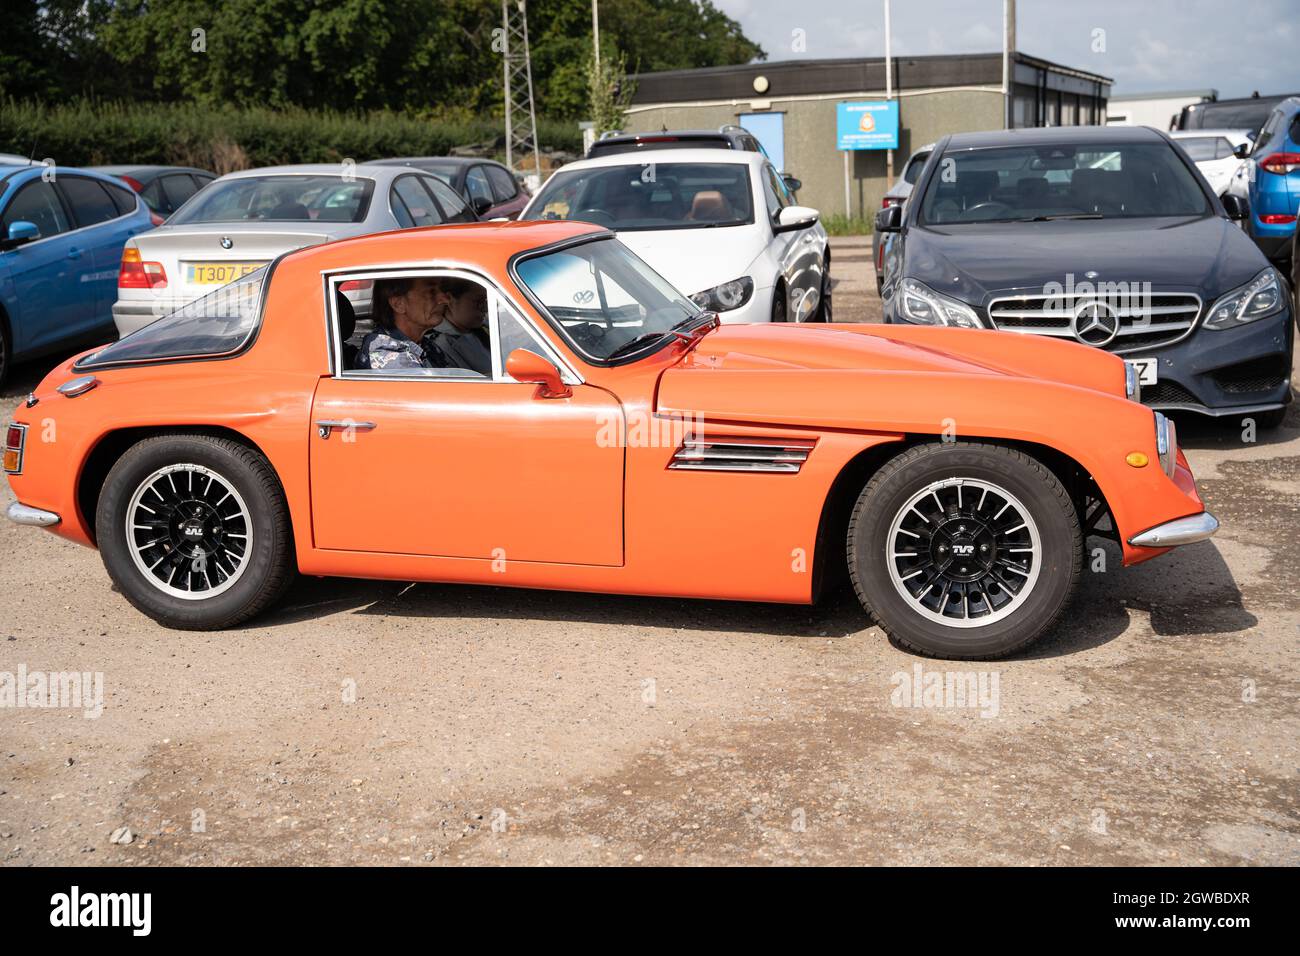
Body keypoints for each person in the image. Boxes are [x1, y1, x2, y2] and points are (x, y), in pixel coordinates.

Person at [357, 277, 453, 370]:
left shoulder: (424, 344)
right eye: (431, 292)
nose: (445, 300)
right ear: (398, 304)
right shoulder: (390, 358)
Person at [425, 280, 492, 376]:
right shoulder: (437, 344)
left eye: (485, 301)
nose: (485, 308)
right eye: (478, 301)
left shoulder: (484, 328)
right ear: (449, 298)